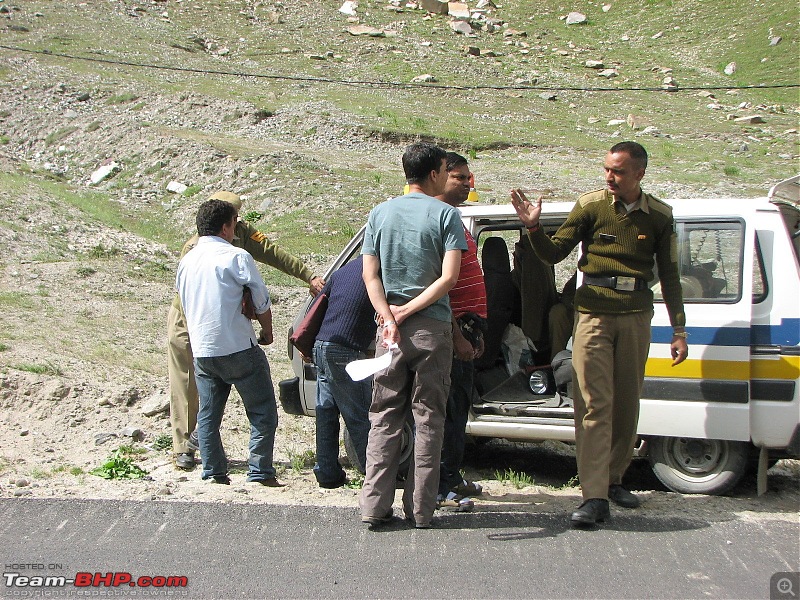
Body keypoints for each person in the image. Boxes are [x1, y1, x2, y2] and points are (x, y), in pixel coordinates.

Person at [510, 141, 688, 527]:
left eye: (619, 171)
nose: (610, 177)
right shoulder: (591, 205)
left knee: (627, 402)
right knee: (592, 404)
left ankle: (614, 478)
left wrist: (679, 329)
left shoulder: (659, 215)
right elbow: (554, 253)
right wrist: (534, 227)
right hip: (592, 316)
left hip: (637, 315)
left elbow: (670, 276)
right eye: (607, 169)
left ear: (640, 173)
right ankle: (594, 496)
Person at [168, 190, 324, 471]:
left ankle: (212, 467)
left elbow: (273, 253)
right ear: (222, 221)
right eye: (234, 216)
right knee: (187, 384)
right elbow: (185, 299)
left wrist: (307, 275)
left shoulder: (240, 233)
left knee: (211, 400)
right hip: (188, 319)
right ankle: (186, 447)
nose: (237, 221)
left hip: (216, 326)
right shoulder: (193, 250)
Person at [360, 142, 467, 529]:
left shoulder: (379, 213)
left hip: (389, 333)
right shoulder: (446, 215)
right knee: (428, 419)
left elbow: (370, 275)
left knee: (384, 416)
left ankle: (373, 507)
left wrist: (389, 315)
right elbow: (449, 278)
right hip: (432, 330)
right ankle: (421, 511)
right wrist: (410, 310)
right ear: (436, 173)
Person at [176, 199, 281, 486]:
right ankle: (259, 471)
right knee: (262, 412)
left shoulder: (186, 261)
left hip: (204, 351)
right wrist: (267, 331)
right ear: (225, 227)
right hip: (237, 346)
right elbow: (260, 300)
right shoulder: (237, 257)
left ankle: (213, 471)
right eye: (235, 222)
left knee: (209, 415)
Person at [435, 152, 487, 510]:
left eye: (469, 177)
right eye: (459, 177)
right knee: (446, 411)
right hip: (452, 329)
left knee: (459, 409)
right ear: (439, 177)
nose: (468, 183)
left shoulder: (455, 218)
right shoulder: (438, 221)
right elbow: (439, 286)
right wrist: (457, 335)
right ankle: (439, 486)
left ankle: (451, 476)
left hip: (467, 326)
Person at [311, 255, 375, 489]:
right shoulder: (377, 269)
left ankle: (327, 473)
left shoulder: (343, 270)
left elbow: (318, 304)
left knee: (326, 413)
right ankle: (375, 477)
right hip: (345, 350)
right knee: (359, 416)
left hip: (321, 344)